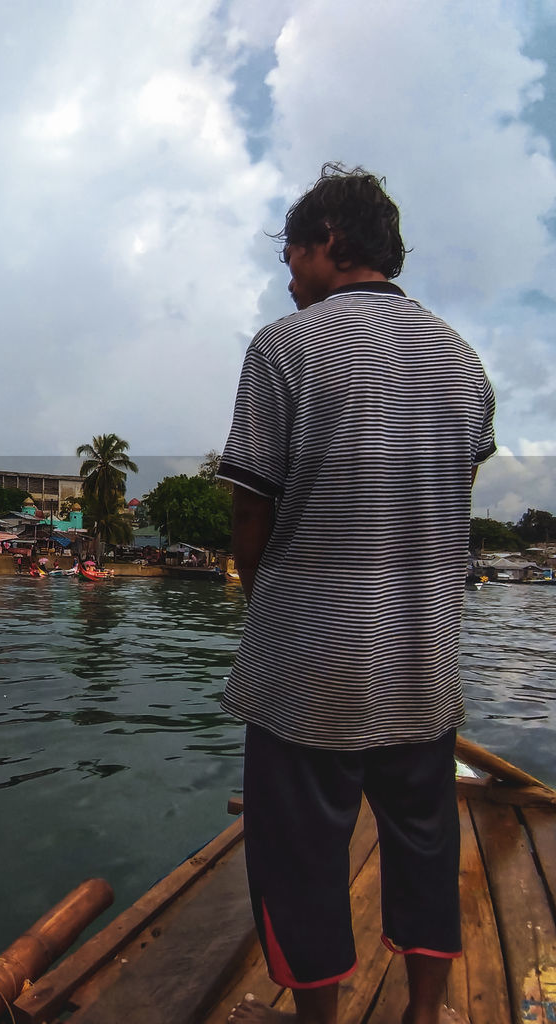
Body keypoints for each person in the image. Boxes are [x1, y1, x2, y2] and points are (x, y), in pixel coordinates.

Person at [217, 164, 495, 1024]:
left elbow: (250, 507)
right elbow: (443, 497)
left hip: (307, 666)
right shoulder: (464, 361)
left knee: (299, 860)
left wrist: (259, 589)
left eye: (293, 252)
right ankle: (423, 1014)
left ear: (331, 241)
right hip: (422, 665)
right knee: (424, 847)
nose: (287, 273)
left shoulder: (284, 347)